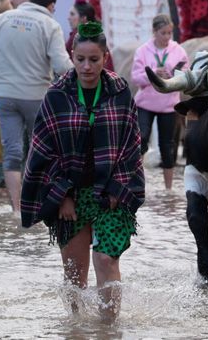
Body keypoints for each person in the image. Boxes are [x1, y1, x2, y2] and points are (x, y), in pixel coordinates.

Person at [21, 22, 144, 321]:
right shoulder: (56, 95)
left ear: (106, 57)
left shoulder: (119, 91)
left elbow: (132, 145)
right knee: (75, 274)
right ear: (72, 56)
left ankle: (107, 328)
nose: (87, 67)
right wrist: (61, 195)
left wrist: (119, 187)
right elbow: (43, 151)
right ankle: (77, 328)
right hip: (71, 194)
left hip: (111, 193)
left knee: (105, 258)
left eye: (94, 59)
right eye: (80, 59)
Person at [0, 0, 70, 213]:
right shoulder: (51, 25)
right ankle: (37, 203)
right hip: (37, 95)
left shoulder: (0, 20)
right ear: (51, 5)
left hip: (5, 95)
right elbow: (62, 67)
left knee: (12, 152)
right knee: (40, 151)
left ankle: (17, 209)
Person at [129, 14, 188, 190]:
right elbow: (135, 77)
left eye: (170, 33)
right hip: (145, 103)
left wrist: (171, 74)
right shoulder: (143, 51)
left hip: (169, 104)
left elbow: (186, 74)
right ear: (154, 32)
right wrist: (153, 73)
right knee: (141, 139)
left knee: (168, 146)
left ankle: (168, 190)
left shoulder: (178, 50)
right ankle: (138, 182)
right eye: (163, 33)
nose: (167, 37)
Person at [66, 0, 114, 71]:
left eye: (72, 14)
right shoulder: (97, 33)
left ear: (83, 18)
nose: (68, 18)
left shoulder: (78, 35)